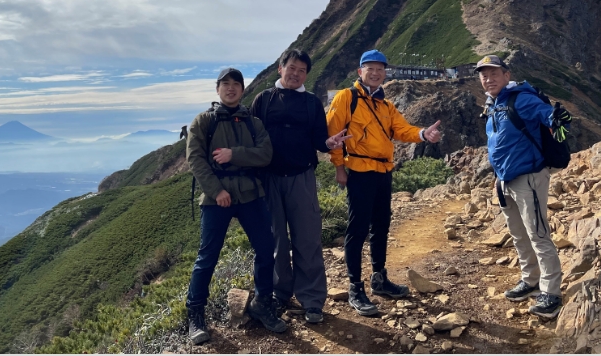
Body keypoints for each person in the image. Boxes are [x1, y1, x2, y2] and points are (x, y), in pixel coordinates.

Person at [326, 49, 442, 316]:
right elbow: (334, 132)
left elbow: (401, 129)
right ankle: (355, 287)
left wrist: (423, 133)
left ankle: (379, 278)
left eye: (380, 69)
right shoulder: (347, 97)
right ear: (360, 71)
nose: (376, 73)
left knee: (381, 224)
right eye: (370, 68)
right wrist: (338, 166)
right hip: (358, 169)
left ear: (385, 73)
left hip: (382, 171)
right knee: (357, 229)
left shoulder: (386, 105)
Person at [185, 68, 287, 345]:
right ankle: (195, 314)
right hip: (216, 198)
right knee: (208, 257)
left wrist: (235, 154)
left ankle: (261, 303)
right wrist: (216, 190)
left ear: (243, 90)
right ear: (217, 89)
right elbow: (195, 160)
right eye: (225, 84)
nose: (231, 89)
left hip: (251, 195)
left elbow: (265, 155)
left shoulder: (252, 123)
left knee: (266, 249)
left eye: (236, 85)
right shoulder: (203, 122)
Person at [250, 49, 350, 324]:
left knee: (307, 238)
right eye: (291, 68)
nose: (295, 74)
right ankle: (281, 294)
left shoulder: (311, 103)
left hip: (302, 177)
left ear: (306, 74)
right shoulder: (263, 100)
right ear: (280, 69)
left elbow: (320, 139)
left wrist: (329, 144)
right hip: (269, 179)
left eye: (301, 70)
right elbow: (251, 137)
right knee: (277, 241)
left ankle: (312, 299)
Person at [476, 54, 570, 319]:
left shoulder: (522, 98)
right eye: (484, 74)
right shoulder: (492, 105)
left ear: (507, 75)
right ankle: (530, 281)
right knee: (518, 234)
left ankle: (551, 293)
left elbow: (548, 116)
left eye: (494, 73)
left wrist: (557, 119)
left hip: (529, 177)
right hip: (504, 180)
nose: (488, 78)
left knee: (539, 234)